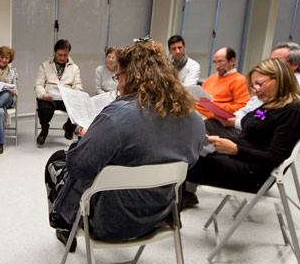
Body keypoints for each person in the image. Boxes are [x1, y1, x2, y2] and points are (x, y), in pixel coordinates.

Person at [47, 39, 206, 244]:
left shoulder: (117, 116)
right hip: (158, 218)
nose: (118, 84)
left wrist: (87, 137)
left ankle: (65, 224)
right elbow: (190, 163)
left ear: (132, 76)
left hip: (107, 223)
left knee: (59, 160)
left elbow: (78, 166)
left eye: (118, 76)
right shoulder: (194, 119)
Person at [185, 58, 300, 201]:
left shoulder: (296, 111)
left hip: (253, 174)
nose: (255, 90)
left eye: (260, 84)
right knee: (187, 156)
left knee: (181, 164)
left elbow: (274, 158)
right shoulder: (271, 105)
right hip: (243, 162)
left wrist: (235, 150)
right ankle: (177, 203)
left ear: (280, 79)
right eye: (253, 86)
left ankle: (175, 204)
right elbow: (250, 137)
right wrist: (221, 141)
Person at [206, 42, 300, 138]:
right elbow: (249, 108)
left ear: (294, 65)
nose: (270, 65)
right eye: (270, 60)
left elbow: (272, 127)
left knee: (208, 127)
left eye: (276, 61)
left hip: (258, 136)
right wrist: (231, 118)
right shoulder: (271, 82)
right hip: (248, 126)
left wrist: (235, 122)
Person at [35, 39, 82, 145]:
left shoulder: (75, 68)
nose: (62, 58)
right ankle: (44, 131)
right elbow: (39, 84)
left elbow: (77, 85)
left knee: (78, 107)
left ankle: (69, 127)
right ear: (55, 52)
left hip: (66, 98)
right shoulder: (45, 66)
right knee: (44, 108)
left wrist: (74, 94)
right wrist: (43, 95)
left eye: (65, 55)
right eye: (60, 55)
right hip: (49, 97)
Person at [196, 46, 249, 119]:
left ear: (232, 61)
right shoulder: (211, 78)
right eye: (215, 62)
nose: (217, 66)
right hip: (198, 112)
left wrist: (214, 105)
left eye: (220, 62)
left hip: (214, 118)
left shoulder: (240, 80)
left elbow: (242, 107)